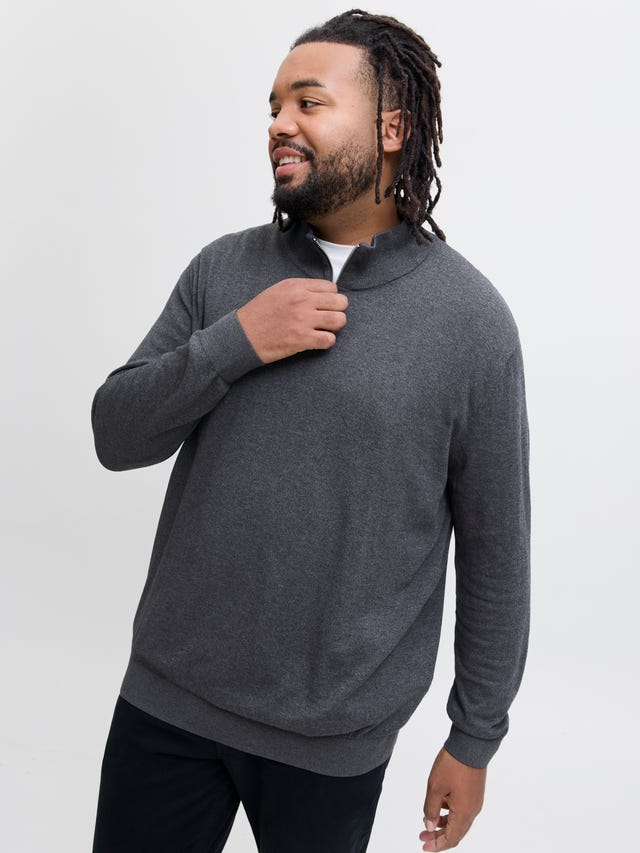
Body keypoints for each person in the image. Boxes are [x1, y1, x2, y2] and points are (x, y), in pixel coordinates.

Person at [90, 9, 531, 853]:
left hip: (333, 740)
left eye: (308, 102)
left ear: (392, 128)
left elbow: (497, 550)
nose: (279, 124)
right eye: (273, 106)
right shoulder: (224, 270)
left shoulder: (471, 322)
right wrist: (236, 341)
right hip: (168, 702)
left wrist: (474, 737)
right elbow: (117, 434)